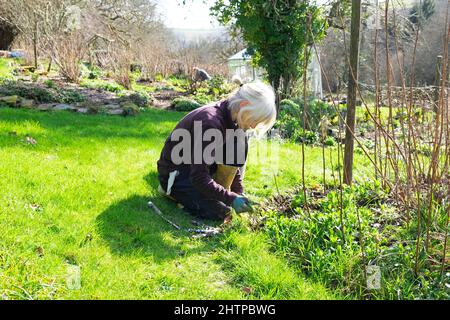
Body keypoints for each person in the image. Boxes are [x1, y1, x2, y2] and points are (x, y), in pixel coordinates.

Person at [157, 77, 277, 222]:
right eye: (255, 120)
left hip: (196, 168)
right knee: (221, 213)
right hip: (177, 174)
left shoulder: (232, 118)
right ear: (244, 105)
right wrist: (230, 199)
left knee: (239, 139)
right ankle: (169, 191)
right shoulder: (211, 122)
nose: (253, 126)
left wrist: (238, 194)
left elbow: (233, 165)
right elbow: (198, 177)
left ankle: (211, 192)